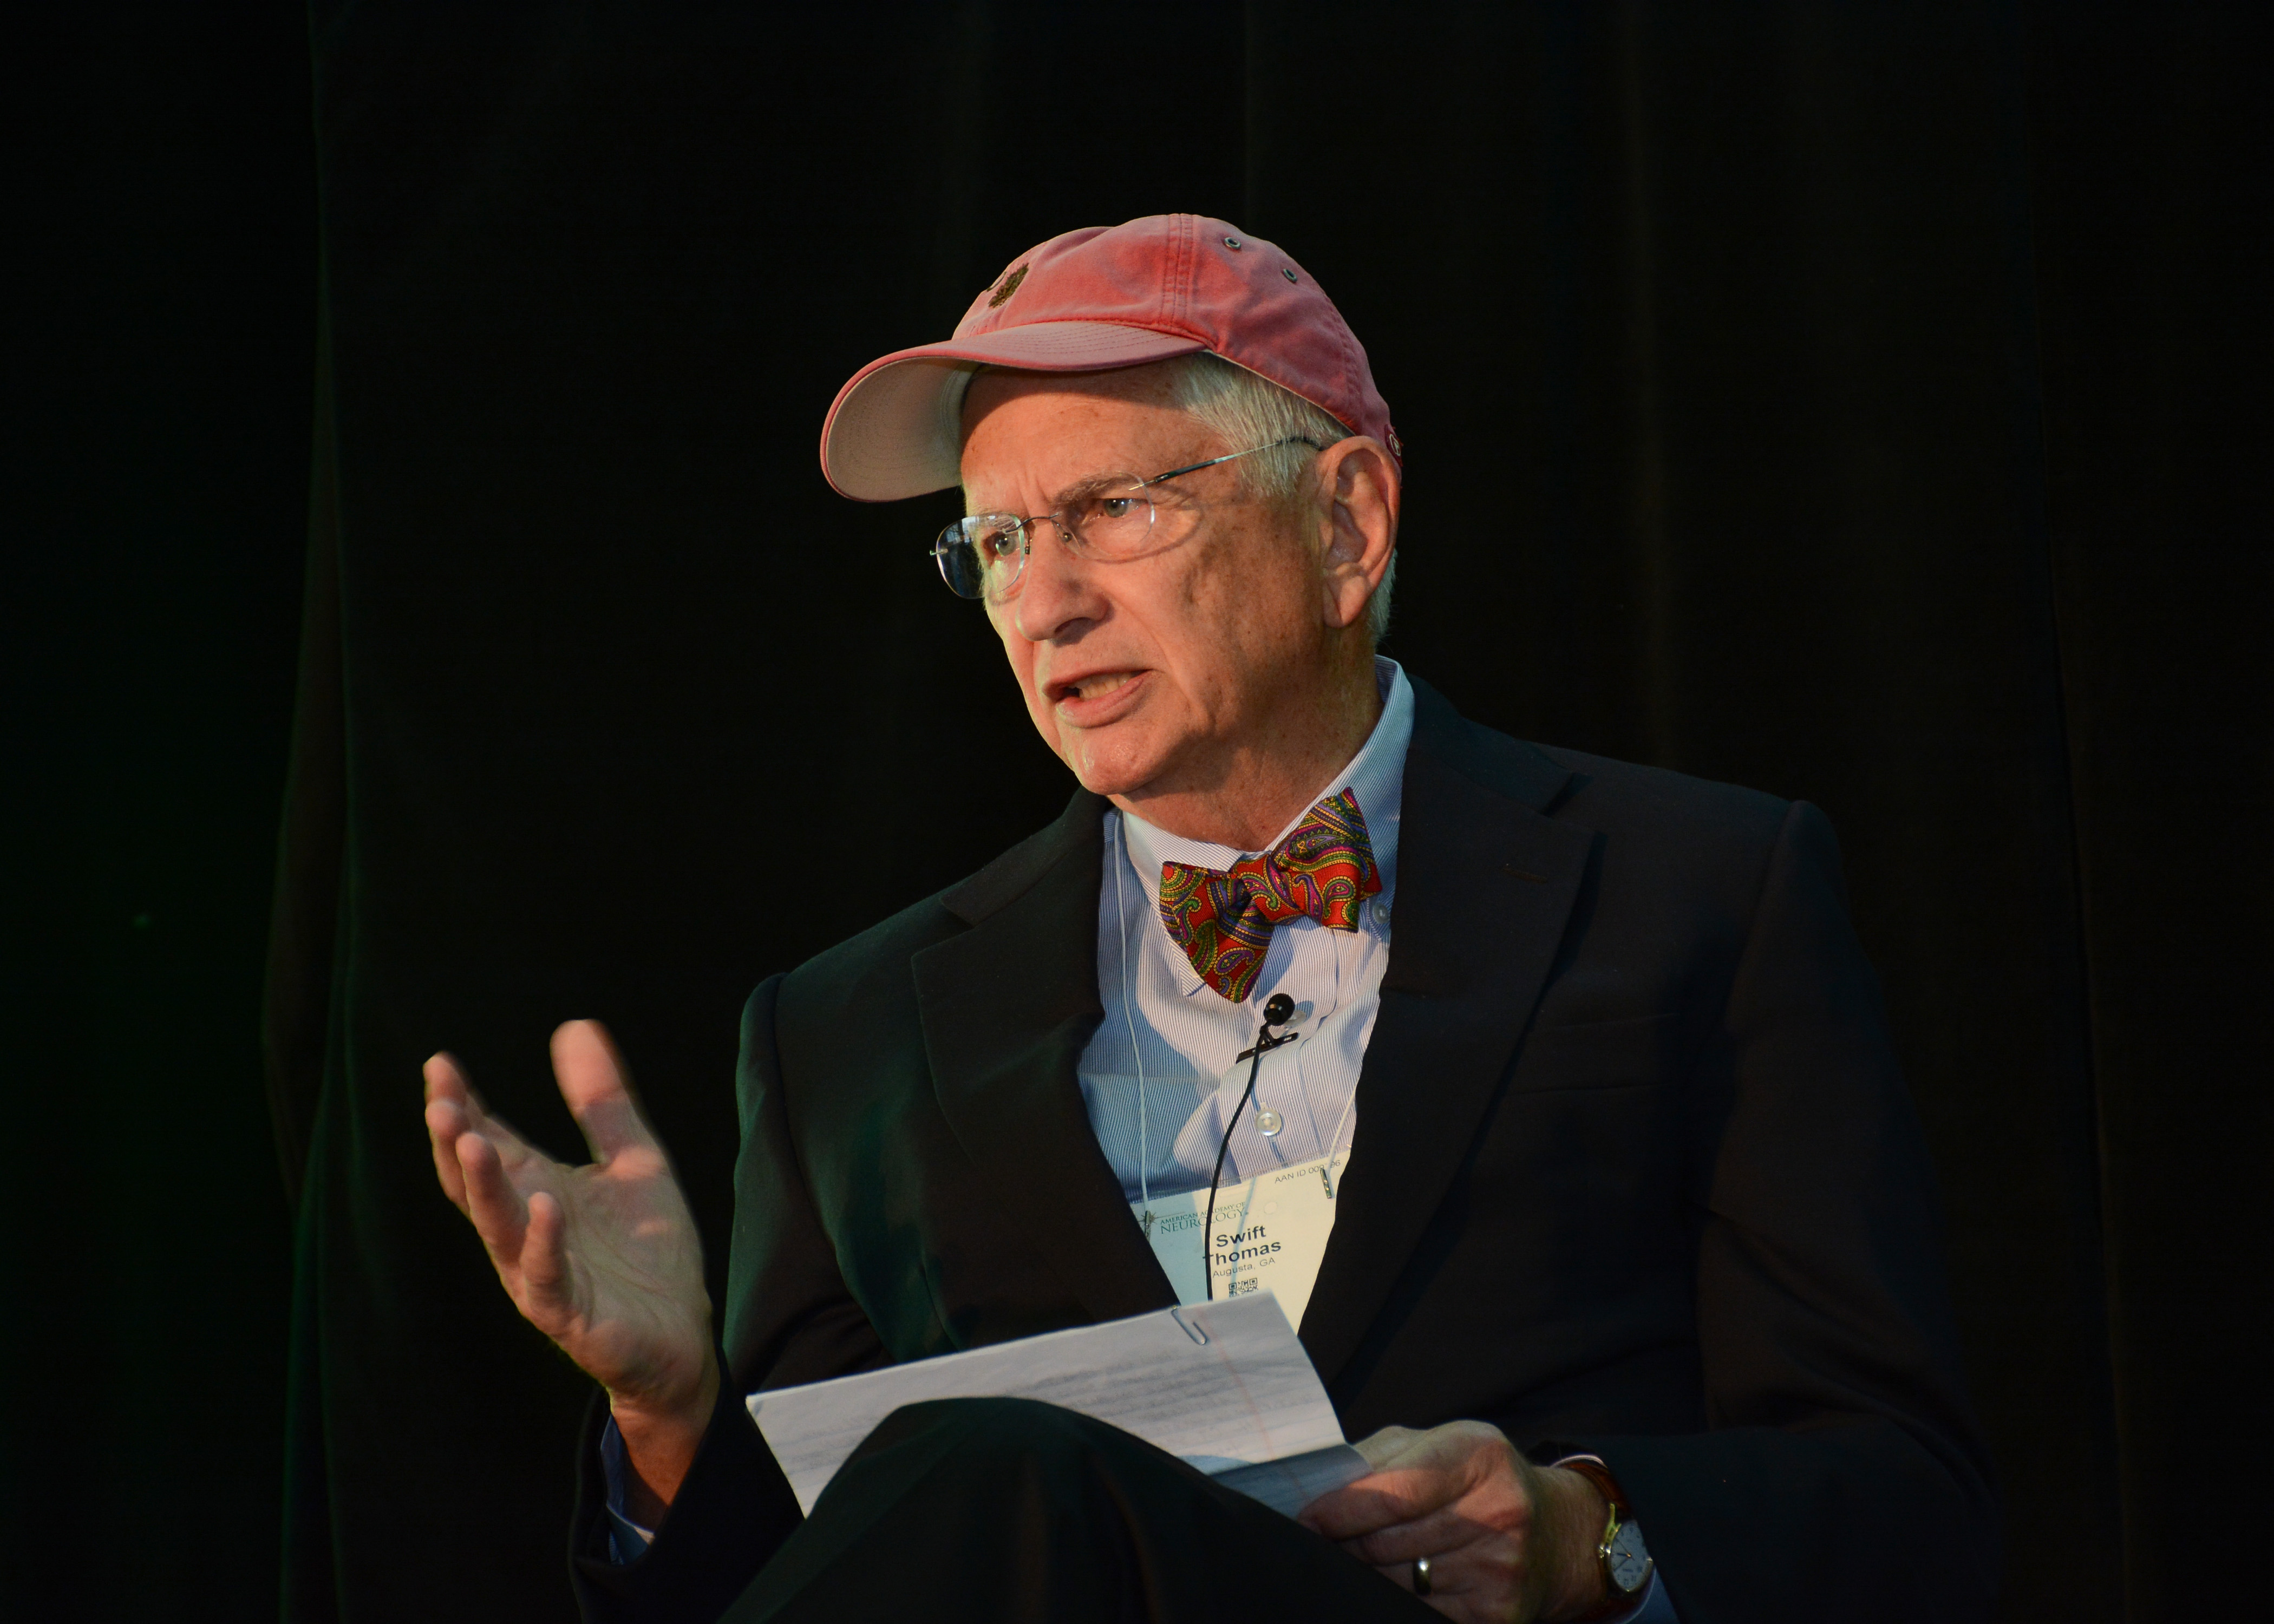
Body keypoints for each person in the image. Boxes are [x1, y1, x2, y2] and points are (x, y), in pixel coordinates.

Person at [423, 215, 1998, 1624]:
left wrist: (1593, 1535)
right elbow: (813, 1577)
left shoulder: (1694, 895)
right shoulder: (848, 1032)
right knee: (983, 1481)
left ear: (1345, 527)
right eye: (999, 543)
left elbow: (1904, 1500)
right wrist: (674, 1413)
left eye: (1111, 508)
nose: (1041, 602)